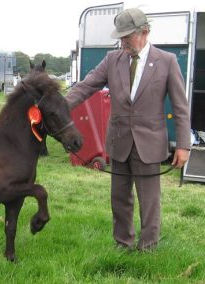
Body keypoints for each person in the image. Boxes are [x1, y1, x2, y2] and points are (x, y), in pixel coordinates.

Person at [65, 8, 191, 251]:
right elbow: (86, 86)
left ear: (144, 32)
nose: (122, 41)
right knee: (120, 199)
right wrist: (58, 106)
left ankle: (148, 247)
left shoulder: (167, 61)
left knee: (149, 201)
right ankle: (122, 244)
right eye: (120, 37)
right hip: (119, 141)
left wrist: (183, 145)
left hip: (150, 144)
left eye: (126, 36)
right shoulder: (113, 60)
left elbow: (180, 107)